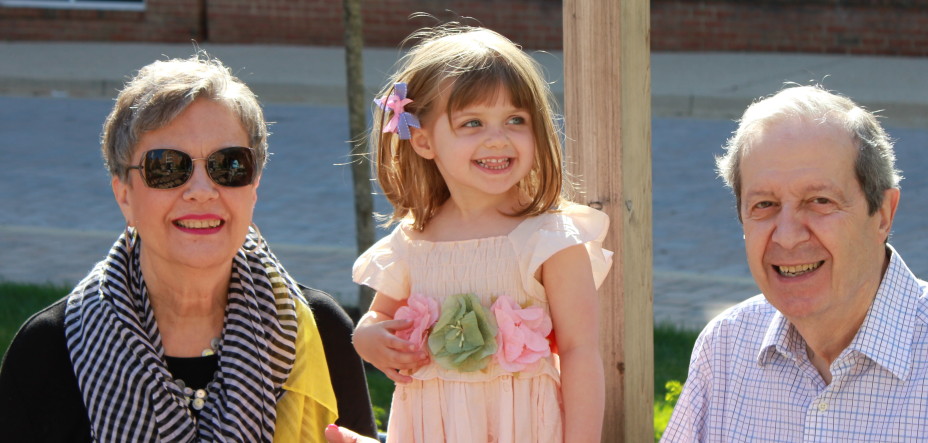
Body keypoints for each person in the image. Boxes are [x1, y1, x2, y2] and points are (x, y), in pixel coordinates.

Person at [0, 53, 378, 442]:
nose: (201, 191)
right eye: (167, 166)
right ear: (124, 194)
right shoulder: (48, 351)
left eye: (229, 165)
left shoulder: (321, 331)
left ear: (254, 187)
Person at [661, 85, 928, 441]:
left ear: (883, 215)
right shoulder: (725, 348)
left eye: (820, 201)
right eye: (764, 205)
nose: (787, 236)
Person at [348, 25, 613, 442]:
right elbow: (380, 315)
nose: (498, 139)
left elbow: (580, 351)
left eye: (515, 120)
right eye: (473, 122)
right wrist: (367, 337)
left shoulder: (549, 238)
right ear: (423, 141)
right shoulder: (414, 240)